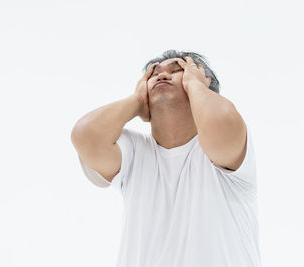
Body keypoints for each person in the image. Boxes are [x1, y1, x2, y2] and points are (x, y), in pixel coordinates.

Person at [71, 49, 261, 267]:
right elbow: (85, 134)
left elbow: (222, 120)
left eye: (177, 70)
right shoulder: (134, 153)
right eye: (153, 74)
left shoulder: (219, 147)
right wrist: (136, 101)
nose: (161, 76)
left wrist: (197, 86)